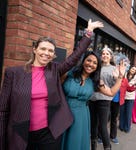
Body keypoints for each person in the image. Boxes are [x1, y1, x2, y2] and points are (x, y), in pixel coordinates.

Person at [0, 19, 103, 150]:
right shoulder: (14, 73)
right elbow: (3, 110)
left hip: (49, 132)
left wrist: (88, 33)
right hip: (21, 133)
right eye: (43, 49)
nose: (46, 53)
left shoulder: (54, 70)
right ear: (35, 49)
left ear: (53, 55)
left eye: (50, 51)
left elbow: (74, 57)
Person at [61, 51, 125, 150]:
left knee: (75, 142)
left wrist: (120, 77)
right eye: (89, 60)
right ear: (83, 61)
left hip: (81, 116)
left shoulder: (96, 81)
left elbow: (111, 92)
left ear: (97, 66)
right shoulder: (70, 73)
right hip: (63, 112)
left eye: (95, 63)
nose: (91, 64)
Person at [89, 46, 120, 150]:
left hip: (105, 100)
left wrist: (117, 78)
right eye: (103, 54)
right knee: (93, 125)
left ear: (110, 56)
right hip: (92, 99)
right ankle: (93, 146)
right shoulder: (96, 66)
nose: (105, 55)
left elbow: (115, 86)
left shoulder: (114, 69)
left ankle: (107, 147)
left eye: (107, 54)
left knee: (102, 126)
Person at [119, 66, 136, 133]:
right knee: (122, 112)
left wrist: (131, 86)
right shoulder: (125, 74)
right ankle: (121, 126)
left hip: (130, 97)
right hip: (123, 96)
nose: (133, 70)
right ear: (130, 69)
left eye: (134, 69)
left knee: (128, 113)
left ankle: (127, 127)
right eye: (132, 68)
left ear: (135, 71)